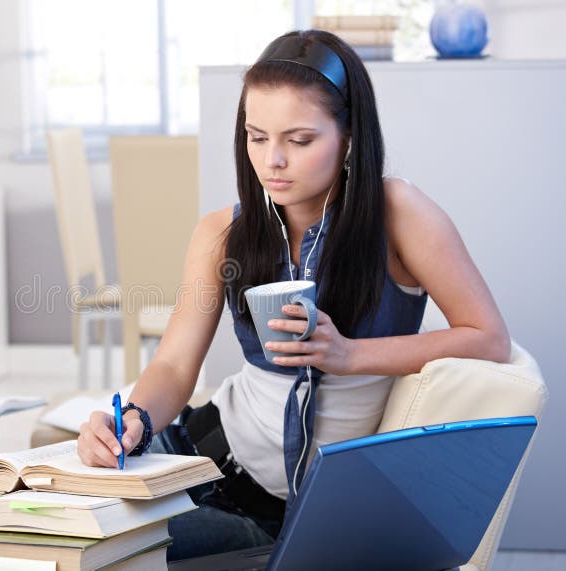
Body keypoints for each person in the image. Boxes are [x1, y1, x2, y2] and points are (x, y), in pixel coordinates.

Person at [76, 29, 510, 561]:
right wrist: (134, 421)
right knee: (40, 528)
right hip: (193, 454)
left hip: (269, 513)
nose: (272, 161)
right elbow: (173, 364)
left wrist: (350, 355)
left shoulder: (399, 216)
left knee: (100, 554)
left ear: (348, 135)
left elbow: (488, 338)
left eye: (299, 140)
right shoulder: (221, 232)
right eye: (257, 137)